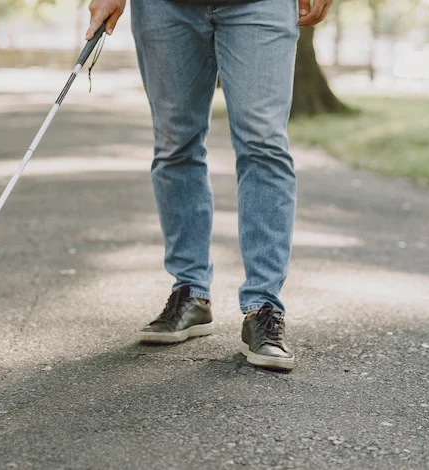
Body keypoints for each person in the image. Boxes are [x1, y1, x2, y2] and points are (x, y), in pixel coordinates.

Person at [85, 0, 332, 371]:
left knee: (263, 142)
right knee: (174, 143)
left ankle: (263, 307)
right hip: (163, 8)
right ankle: (190, 292)